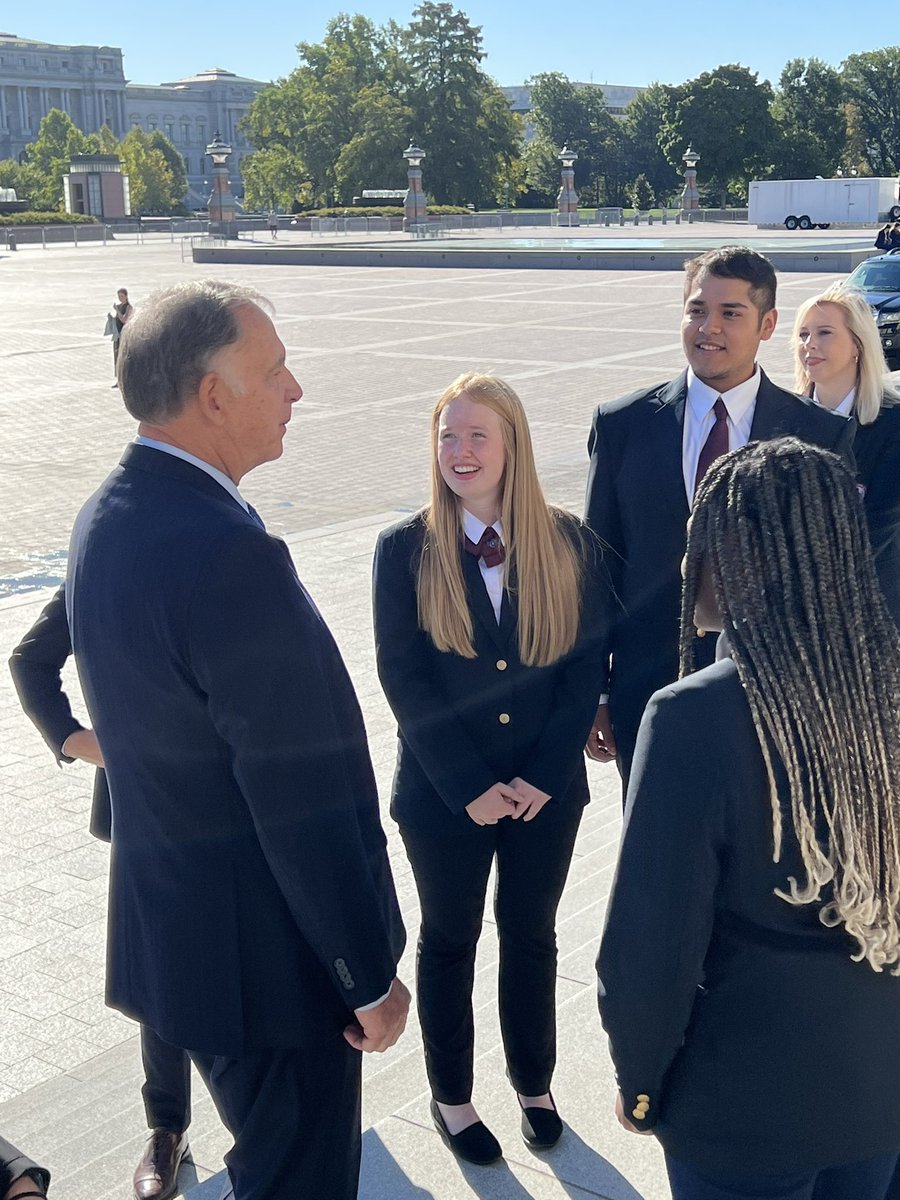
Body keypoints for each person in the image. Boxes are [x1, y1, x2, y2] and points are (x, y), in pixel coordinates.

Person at [66, 280, 409, 1200]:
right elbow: (303, 796)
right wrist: (366, 972)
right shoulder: (230, 556)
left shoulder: (107, 514)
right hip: (273, 979)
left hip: (184, 951)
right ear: (214, 395)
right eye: (274, 369)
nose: (295, 388)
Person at [597, 438, 900, 1200]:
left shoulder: (693, 716)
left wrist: (639, 1083)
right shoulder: (884, 694)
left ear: (736, 556)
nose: (684, 560)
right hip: (878, 1093)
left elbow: (649, 948)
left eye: (701, 536)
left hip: (740, 1115)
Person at [373, 373, 610, 1165]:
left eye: (477, 435)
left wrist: (545, 775)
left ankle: (534, 1083)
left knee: (531, 935)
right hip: (446, 797)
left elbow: (584, 670)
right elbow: (403, 680)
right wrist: (470, 786)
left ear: (512, 445)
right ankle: (452, 1097)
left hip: (547, 794)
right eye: (448, 436)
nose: (460, 451)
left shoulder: (567, 541)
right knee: (450, 940)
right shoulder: (404, 548)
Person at [584, 244, 855, 785]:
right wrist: (598, 691)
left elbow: (832, 581)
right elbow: (597, 570)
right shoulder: (623, 424)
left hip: (774, 697)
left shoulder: (819, 435)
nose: (709, 327)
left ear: (768, 324)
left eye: (731, 313)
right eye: (696, 310)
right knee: (657, 853)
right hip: (648, 692)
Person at [9, 588, 192, 1200]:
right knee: (163, 966)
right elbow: (30, 660)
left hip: (243, 794)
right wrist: (76, 739)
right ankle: (167, 1128)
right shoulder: (107, 550)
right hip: (145, 809)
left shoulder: (241, 541)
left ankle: (265, 1122)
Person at [793, 284, 900, 625]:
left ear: (857, 343)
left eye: (824, 333)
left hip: (872, 615)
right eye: (803, 334)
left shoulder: (893, 424)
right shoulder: (782, 421)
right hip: (795, 616)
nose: (810, 344)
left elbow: (878, 526)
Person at [109, 288, 133, 385]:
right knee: (117, 355)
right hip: (117, 334)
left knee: (122, 356)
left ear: (126, 296)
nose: (120, 298)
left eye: (122, 296)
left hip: (124, 334)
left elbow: (124, 320)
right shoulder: (119, 306)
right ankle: (118, 379)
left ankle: (124, 379)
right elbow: (117, 319)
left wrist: (117, 311)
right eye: (119, 296)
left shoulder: (128, 307)